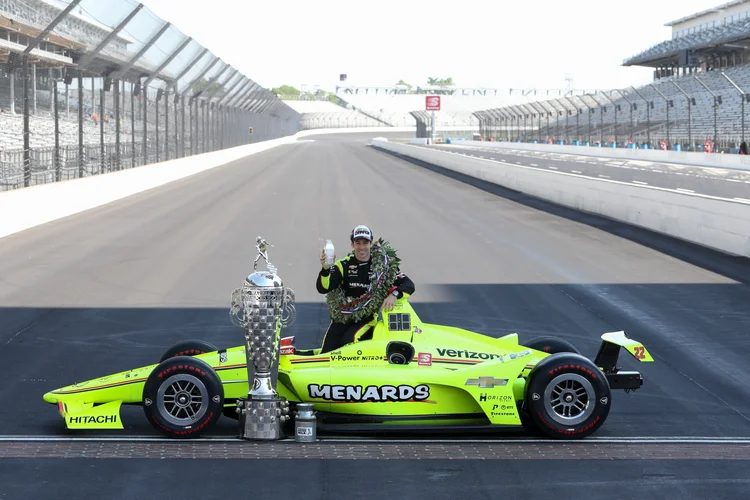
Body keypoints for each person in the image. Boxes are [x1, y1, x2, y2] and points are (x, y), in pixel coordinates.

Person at [315, 224, 415, 353]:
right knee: (327, 350)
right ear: (352, 244)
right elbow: (323, 288)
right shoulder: (344, 264)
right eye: (358, 243)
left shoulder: (383, 266)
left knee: (348, 341)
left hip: (366, 319)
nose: (362, 247)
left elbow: (408, 284)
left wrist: (394, 294)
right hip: (342, 317)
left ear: (371, 243)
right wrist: (325, 269)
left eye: (365, 242)